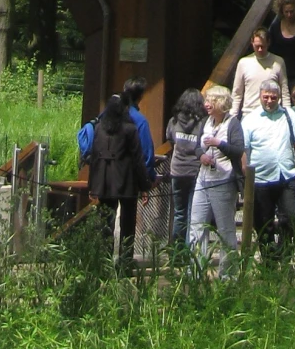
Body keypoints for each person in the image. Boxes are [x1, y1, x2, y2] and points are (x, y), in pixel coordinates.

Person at [240, 77, 295, 252]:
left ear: (279, 97)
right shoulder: (250, 120)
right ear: (260, 96)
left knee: (291, 216)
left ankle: (283, 253)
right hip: (260, 179)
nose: (270, 101)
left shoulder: (288, 114)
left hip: (286, 175)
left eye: (273, 97)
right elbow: (243, 149)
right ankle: (268, 264)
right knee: (263, 223)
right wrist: (245, 176)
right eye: (266, 97)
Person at [87, 93, 150, 268]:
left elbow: (94, 159)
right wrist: (144, 186)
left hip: (104, 182)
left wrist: (92, 186)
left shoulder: (99, 128)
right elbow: (138, 158)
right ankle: (125, 262)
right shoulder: (130, 129)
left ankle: (104, 262)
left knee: (106, 222)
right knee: (127, 224)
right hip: (127, 182)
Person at [192, 84, 243, 260]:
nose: (207, 104)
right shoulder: (204, 122)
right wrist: (201, 156)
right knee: (197, 225)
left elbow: (238, 150)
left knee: (225, 228)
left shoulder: (233, 124)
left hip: (223, 180)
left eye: (211, 100)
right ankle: (195, 272)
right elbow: (196, 147)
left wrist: (219, 143)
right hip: (203, 178)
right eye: (206, 100)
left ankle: (228, 274)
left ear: (221, 102)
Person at [79, 79, 155, 171]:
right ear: (141, 96)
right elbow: (146, 155)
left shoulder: (106, 114)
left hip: (101, 173)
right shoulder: (140, 121)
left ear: (124, 90)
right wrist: (148, 178)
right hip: (125, 176)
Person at [164, 87, 207, 248]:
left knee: (179, 213)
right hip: (195, 170)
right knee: (192, 213)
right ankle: (191, 252)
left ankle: (177, 251)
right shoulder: (203, 123)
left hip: (177, 170)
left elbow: (170, 140)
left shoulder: (173, 121)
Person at [229, 27, 288, 115]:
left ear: (268, 43)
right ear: (252, 43)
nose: (260, 49)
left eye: (262, 46)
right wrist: (232, 115)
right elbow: (237, 93)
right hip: (249, 113)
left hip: (272, 114)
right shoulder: (243, 62)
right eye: (257, 46)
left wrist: (289, 113)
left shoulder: (278, 62)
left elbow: (284, 92)